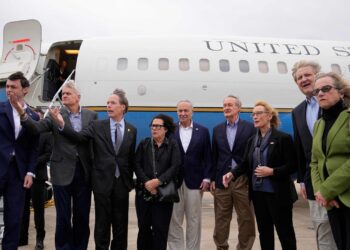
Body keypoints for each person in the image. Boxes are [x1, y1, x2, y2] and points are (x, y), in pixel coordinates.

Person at [12, 80, 98, 250]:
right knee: (63, 217)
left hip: (83, 172)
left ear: (78, 97)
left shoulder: (91, 115)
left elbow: (83, 138)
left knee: (82, 216)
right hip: (61, 172)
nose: (63, 96)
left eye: (67, 93)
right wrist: (23, 114)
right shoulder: (54, 115)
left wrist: (61, 124)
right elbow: (36, 128)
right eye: (62, 94)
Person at [51, 88, 137, 250]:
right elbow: (79, 137)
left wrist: (130, 183)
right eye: (107, 103)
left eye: (113, 103)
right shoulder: (97, 125)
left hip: (121, 184)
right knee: (102, 224)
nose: (108, 106)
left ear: (123, 107)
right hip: (102, 183)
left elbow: (130, 158)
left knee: (121, 224)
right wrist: (62, 124)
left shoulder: (131, 130)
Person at [223, 100, 298, 250]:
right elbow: (245, 163)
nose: (255, 117)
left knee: (285, 232)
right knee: (264, 232)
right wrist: (232, 173)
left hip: (278, 193)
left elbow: (293, 165)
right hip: (258, 194)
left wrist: (272, 171)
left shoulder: (283, 138)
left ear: (269, 116)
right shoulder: (252, 140)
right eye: (253, 114)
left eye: (259, 113)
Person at [291, 60, 336, 249]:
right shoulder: (298, 112)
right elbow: (301, 150)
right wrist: (302, 180)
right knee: (322, 230)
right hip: (313, 181)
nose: (303, 80)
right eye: (299, 78)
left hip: (338, 179)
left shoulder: (336, 103)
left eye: (307, 75)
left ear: (317, 76)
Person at [310, 72, 350, 250]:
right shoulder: (319, 124)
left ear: (341, 92)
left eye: (326, 89)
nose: (320, 94)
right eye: (316, 91)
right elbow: (315, 162)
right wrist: (321, 192)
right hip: (331, 201)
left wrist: (328, 189)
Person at [210, 95, 256, 250]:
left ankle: (244, 248)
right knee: (221, 218)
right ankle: (221, 247)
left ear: (238, 108)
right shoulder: (217, 130)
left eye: (230, 105)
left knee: (245, 218)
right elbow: (214, 156)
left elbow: (251, 156)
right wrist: (213, 179)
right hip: (222, 181)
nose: (226, 108)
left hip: (242, 179)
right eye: (224, 105)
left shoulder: (250, 128)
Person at [1, 71, 39, 249]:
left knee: (14, 219)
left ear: (25, 90)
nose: (9, 90)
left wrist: (30, 171)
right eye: (7, 86)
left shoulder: (33, 117)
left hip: (18, 174)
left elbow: (34, 148)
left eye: (13, 87)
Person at [167, 100, 212, 250]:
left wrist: (207, 178)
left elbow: (207, 157)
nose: (183, 113)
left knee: (194, 220)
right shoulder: (170, 130)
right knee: (174, 220)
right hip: (174, 181)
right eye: (180, 111)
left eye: (186, 110)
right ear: (177, 112)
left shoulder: (203, 131)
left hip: (195, 181)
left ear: (192, 112)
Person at [135, 114, 181, 250]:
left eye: (158, 126)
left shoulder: (172, 145)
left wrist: (159, 181)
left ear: (165, 129)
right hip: (144, 192)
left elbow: (175, 166)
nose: (154, 128)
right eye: (152, 126)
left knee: (160, 229)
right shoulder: (144, 144)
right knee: (143, 228)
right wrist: (147, 183)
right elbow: (137, 165)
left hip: (164, 194)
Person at [19, 107, 52, 250]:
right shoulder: (23, 133)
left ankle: (40, 238)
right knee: (22, 208)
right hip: (21, 175)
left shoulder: (46, 134)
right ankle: (22, 237)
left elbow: (48, 154)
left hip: (38, 176)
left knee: (39, 209)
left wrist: (32, 164)